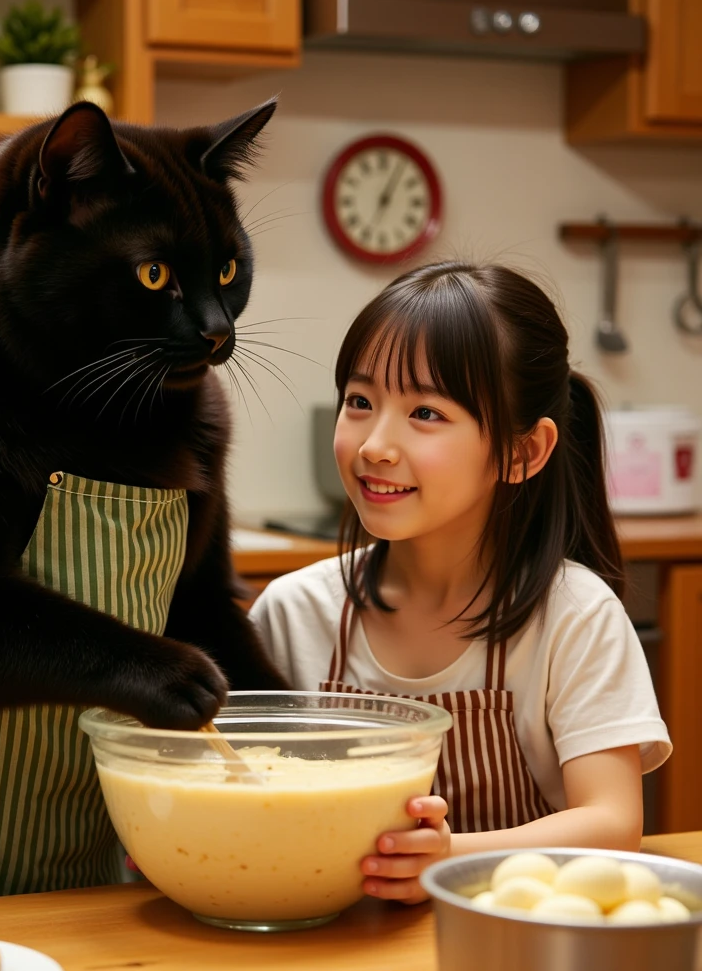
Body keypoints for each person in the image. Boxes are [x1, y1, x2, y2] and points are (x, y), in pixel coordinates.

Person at [249, 262, 671, 904]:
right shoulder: (292, 611)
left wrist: (446, 859)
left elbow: (613, 824)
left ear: (521, 452)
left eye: (424, 412)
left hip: (511, 946)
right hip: (325, 937)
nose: (375, 446)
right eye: (360, 402)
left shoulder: (575, 617)